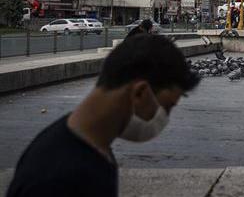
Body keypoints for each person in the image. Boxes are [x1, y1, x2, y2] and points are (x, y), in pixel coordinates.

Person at [7, 34, 200, 197]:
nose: (164, 117)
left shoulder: (89, 145)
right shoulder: (57, 180)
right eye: (166, 106)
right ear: (139, 93)